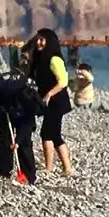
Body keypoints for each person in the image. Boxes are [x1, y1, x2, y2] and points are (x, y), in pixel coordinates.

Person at [28, 28, 75, 176]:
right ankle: (66, 168)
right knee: (54, 135)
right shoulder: (39, 58)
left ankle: (50, 168)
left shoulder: (54, 59)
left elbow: (63, 81)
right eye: (38, 40)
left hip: (57, 101)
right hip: (48, 101)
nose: (39, 43)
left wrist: (48, 94)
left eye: (42, 40)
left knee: (47, 134)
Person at [0, 74, 44, 185]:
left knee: (25, 143)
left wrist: (17, 141)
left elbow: (27, 125)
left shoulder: (33, 103)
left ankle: (29, 176)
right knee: (5, 139)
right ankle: (4, 169)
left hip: (22, 117)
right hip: (5, 110)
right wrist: (0, 102)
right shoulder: (6, 87)